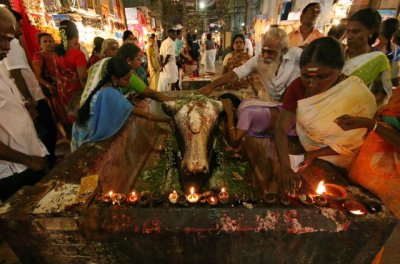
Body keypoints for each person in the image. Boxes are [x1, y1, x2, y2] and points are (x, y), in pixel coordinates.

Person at [274, 37, 377, 194]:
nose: (313, 84)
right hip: (307, 153)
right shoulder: (297, 87)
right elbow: (281, 128)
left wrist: (316, 153)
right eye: (306, 76)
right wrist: (285, 166)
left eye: (322, 77)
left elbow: (355, 143)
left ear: (339, 69)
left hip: (342, 162)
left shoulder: (356, 94)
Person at [0, 6, 48, 201]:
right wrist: (28, 160)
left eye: (10, 40)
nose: (7, 47)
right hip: (12, 171)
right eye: (2, 38)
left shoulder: (1, 69)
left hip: (26, 161)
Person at [72, 57, 169, 151]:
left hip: (81, 127)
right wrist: (168, 120)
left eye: (130, 77)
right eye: (126, 79)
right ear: (114, 78)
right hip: (86, 132)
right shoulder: (110, 93)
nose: (129, 82)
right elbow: (144, 114)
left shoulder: (108, 86)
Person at [4, 10, 57, 166]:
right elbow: (16, 71)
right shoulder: (12, 43)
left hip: (33, 96)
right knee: (47, 131)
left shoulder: (15, 43)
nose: (21, 29)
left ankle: (47, 160)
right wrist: (29, 98)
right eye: (19, 25)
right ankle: (46, 163)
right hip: (33, 97)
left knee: (46, 130)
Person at [200, 28, 302, 102]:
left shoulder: (297, 57)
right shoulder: (258, 59)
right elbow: (235, 73)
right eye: (263, 50)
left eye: (271, 52)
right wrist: (211, 86)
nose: (265, 56)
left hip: (292, 104)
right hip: (271, 103)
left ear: (283, 51)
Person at [81, 43, 171, 106]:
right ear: (128, 60)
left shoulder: (103, 62)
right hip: (96, 114)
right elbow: (152, 94)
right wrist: (175, 102)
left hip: (83, 105)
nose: (141, 62)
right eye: (138, 59)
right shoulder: (126, 75)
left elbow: (85, 78)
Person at [342, 8, 392, 106]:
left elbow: (381, 93)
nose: (349, 36)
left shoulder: (379, 60)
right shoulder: (338, 53)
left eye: (355, 32)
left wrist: (360, 104)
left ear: (371, 31)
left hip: (357, 114)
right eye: (348, 31)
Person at [32, 33, 70, 138]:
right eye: (45, 41)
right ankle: (68, 137)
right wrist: (49, 86)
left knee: (67, 114)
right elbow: (36, 76)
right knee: (61, 116)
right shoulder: (38, 56)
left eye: (50, 41)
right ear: (40, 44)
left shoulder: (55, 54)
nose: (48, 43)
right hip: (53, 92)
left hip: (63, 89)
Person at [55, 20, 87, 122]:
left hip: (64, 92)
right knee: (83, 120)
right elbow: (83, 79)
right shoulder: (78, 54)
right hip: (76, 94)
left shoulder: (57, 53)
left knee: (72, 119)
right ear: (76, 34)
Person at [375, 18, 400, 86]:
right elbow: (396, 72)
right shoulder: (398, 49)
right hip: (390, 87)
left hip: (375, 87)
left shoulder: (373, 51)